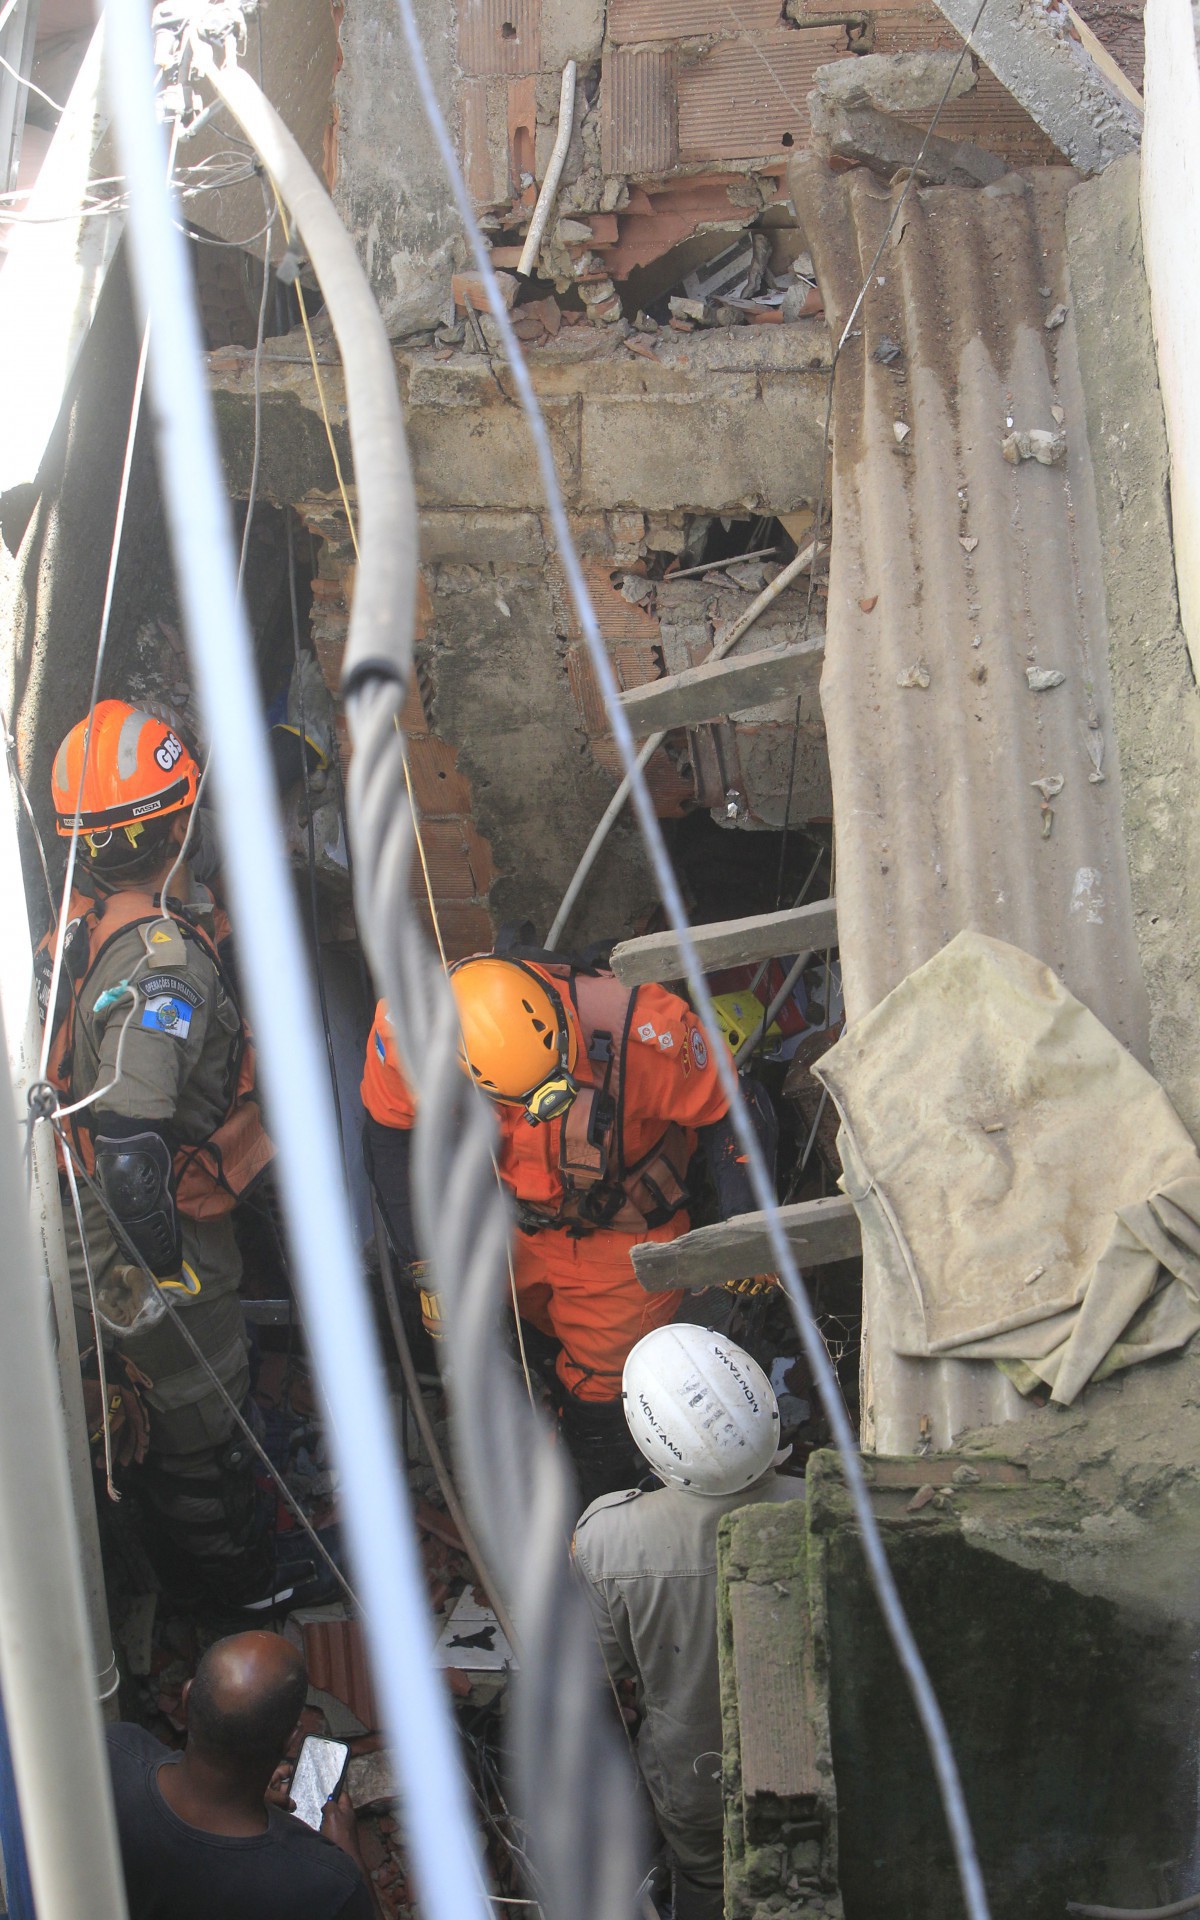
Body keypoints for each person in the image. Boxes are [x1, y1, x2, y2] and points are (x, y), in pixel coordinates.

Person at [361, 950, 776, 1506]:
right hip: (502, 1223)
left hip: (617, 1238)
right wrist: (426, 1265)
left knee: (604, 1389)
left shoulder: (647, 1032)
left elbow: (735, 1108)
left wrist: (745, 1231)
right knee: (489, 1337)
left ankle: (595, 1500)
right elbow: (387, 1134)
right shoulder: (406, 1033)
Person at [40, 699, 282, 1606]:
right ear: (176, 821)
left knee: (164, 1408)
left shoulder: (78, 922)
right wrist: (166, 1276)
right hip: (138, 1242)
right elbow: (132, 1141)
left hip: (95, 1220)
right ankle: (237, 1592)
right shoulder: (160, 965)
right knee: (197, 1420)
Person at [572, 1325, 800, 1920]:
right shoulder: (833, 1508)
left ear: (648, 1445)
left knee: (705, 1883)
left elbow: (601, 1673)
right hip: (818, 1754)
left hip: (696, 1772)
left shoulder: (607, 1538)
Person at [105, 1630, 379, 1919]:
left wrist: (243, 1794)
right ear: (292, 1738)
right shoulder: (325, 1883)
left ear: (186, 1698)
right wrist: (350, 1859)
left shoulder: (112, 1750)